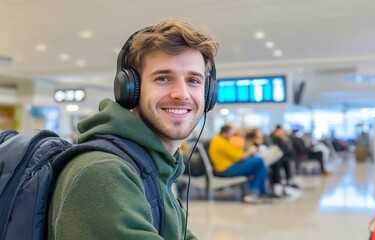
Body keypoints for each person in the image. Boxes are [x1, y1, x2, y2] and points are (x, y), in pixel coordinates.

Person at [48, 18, 218, 240]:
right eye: (164, 78)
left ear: (208, 94)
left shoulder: (155, 165)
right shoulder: (104, 172)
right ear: (131, 89)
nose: (182, 94)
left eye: (194, 81)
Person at [208, 125, 270, 204]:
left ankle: (261, 193)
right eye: (231, 133)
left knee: (261, 167)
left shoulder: (222, 139)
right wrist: (250, 152)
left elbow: (237, 152)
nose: (232, 135)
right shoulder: (220, 142)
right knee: (260, 161)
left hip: (231, 165)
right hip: (226, 169)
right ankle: (254, 192)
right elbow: (240, 157)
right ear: (224, 133)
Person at [270, 126, 300, 197]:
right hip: (276, 158)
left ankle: (288, 182)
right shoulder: (274, 139)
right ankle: (277, 186)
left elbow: (288, 150)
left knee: (288, 161)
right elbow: (277, 150)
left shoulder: (285, 139)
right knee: (279, 163)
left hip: (284, 157)